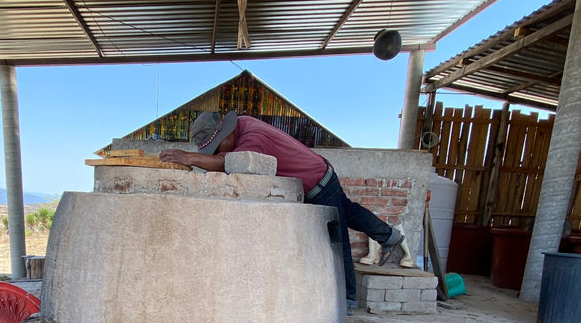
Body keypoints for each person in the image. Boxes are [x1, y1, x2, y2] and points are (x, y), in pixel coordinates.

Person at [160, 110, 412, 311]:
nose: (217, 152)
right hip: (321, 175)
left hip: (318, 183)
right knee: (349, 213)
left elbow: (235, 163)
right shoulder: (243, 125)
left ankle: (346, 300)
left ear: (226, 134)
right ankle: (389, 236)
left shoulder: (252, 138)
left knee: (336, 239)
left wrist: (192, 159)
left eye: (216, 147)